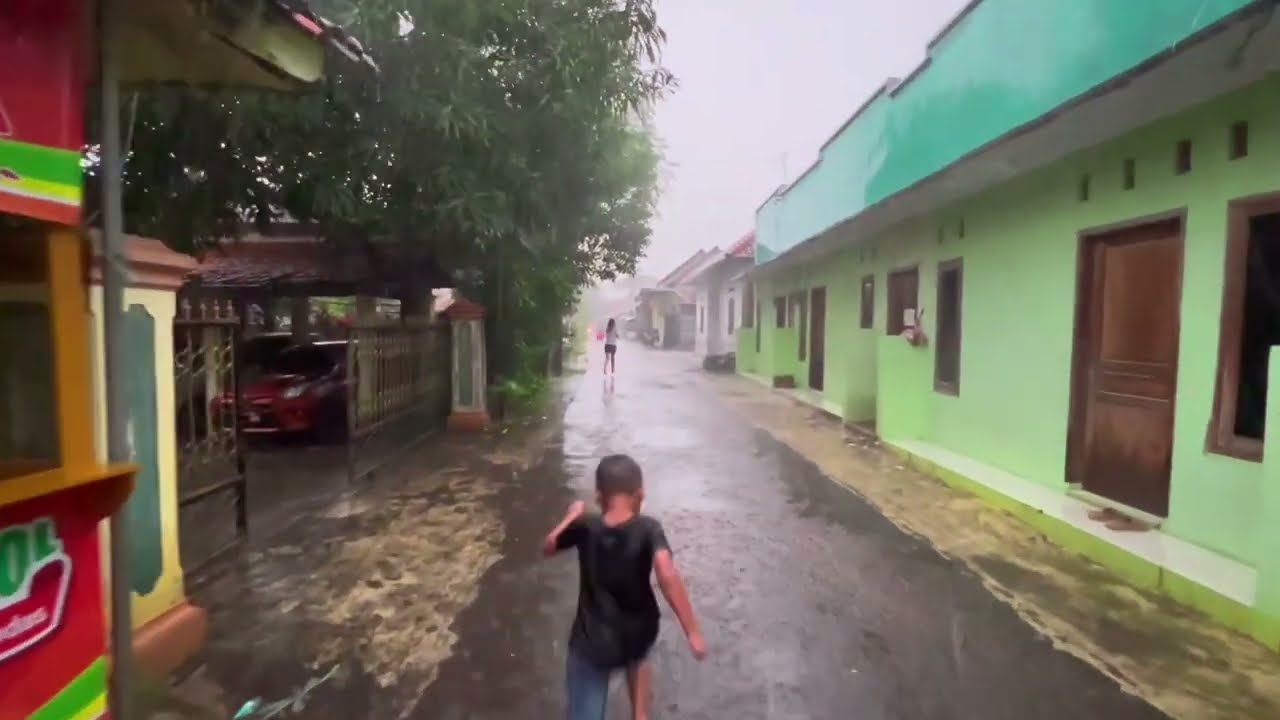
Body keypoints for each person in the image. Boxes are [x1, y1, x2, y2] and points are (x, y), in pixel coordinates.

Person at [542, 454, 706, 720]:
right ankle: (640, 715)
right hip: (637, 632)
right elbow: (666, 572)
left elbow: (549, 546)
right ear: (640, 494)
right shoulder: (649, 528)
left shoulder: (586, 526)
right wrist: (693, 631)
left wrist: (571, 516)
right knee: (638, 652)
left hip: (592, 640)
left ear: (598, 497)